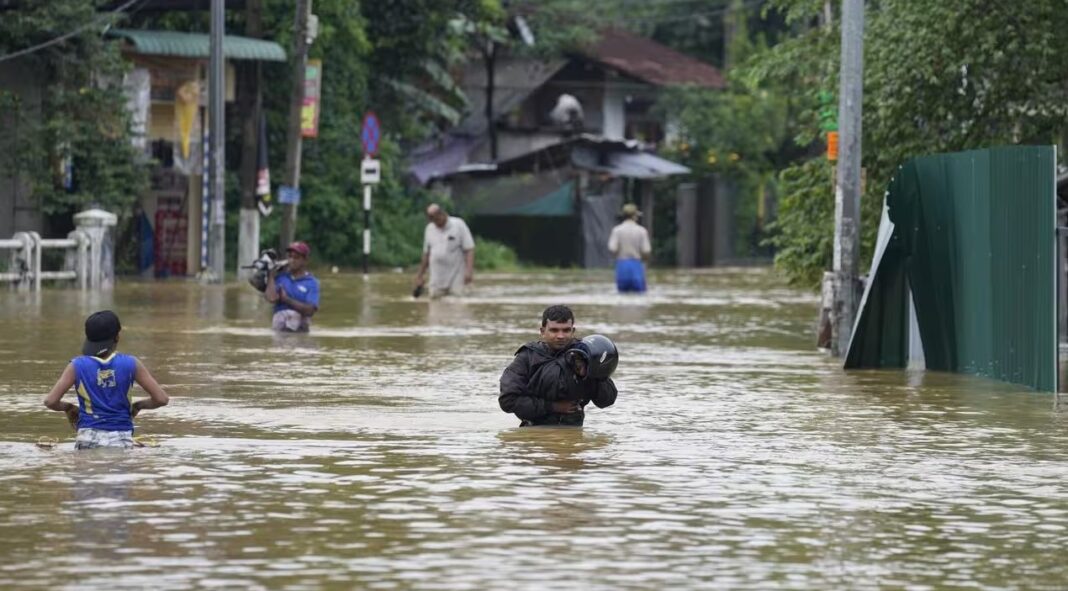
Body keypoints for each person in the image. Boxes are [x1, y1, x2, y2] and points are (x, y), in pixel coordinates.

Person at [42, 310, 169, 449]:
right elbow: (161, 399)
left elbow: (50, 401)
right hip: (121, 440)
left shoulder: (76, 365)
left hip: (87, 439)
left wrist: (69, 408)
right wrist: (138, 406)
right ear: (117, 337)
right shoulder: (132, 363)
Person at [499, 305, 618, 427]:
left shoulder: (586, 355)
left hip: (573, 432)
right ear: (542, 331)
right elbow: (508, 401)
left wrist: (593, 374)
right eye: (554, 330)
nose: (560, 336)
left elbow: (607, 401)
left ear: (573, 331)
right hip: (534, 431)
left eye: (566, 330)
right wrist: (553, 407)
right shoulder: (527, 357)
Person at [414, 203, 475, 298]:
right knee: (435, 304)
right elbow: (427, 253)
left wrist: (469, 271)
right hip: (437, 277)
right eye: (433, 220)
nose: (436, 223)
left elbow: (469, 249)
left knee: (458, 305)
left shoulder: (458, 225)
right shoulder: (429, 229)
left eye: (437, 219)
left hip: (456, 275)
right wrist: (420, 275)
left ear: (442, 214)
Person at [265, 241, 320, 332]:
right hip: (280, 329)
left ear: (305, 260)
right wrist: (270, 274)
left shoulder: (312, 283)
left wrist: (286, 299)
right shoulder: (281, 277)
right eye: (290, 256)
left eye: (296, 257)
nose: (291, 260)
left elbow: (310, 310)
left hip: (299, 331)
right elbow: (271, 298)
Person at [608, 203, 652, 293]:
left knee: (622, 296)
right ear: (634, 216)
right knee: (639, 296)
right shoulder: (641, 231)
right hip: (636, 266)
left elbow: (612, 248)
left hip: (622, 266)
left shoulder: (617, 230)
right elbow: (646, 250)